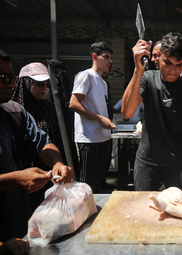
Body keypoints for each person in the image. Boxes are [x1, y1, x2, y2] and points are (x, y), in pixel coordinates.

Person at [0, 49, 74, 241]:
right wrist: (15, 179)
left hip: (19, 212)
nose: (12, 84)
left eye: (12, 77)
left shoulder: (15, 112)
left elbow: (43, 143)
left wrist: (57, 163)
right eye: (4, 78)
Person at [122, 32, 182, 198]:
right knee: (144, 211)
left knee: (178, 213)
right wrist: (138, 68)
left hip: (177, 164)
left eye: (179, 65)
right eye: (168, 62)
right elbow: (127, 111)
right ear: (158, 56)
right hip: (147, 162)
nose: (173, 70)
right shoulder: (147, 78)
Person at [69, 41, 116, 193]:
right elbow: (74, 104)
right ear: (94, 56)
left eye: (111, 58)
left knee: (100, 179)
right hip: (88, 138)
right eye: (106, 57)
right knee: (88, 185)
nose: (110, 61)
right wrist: (100, 118)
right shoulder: (85, 75)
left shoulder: (102, 82)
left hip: (103, 136)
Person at [12, 62, 65, 164]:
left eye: (48, 84)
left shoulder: (49, 107)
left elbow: (57, 140)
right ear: (26, 83)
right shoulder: (13, 110)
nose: (44, 88)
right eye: (40, 84)